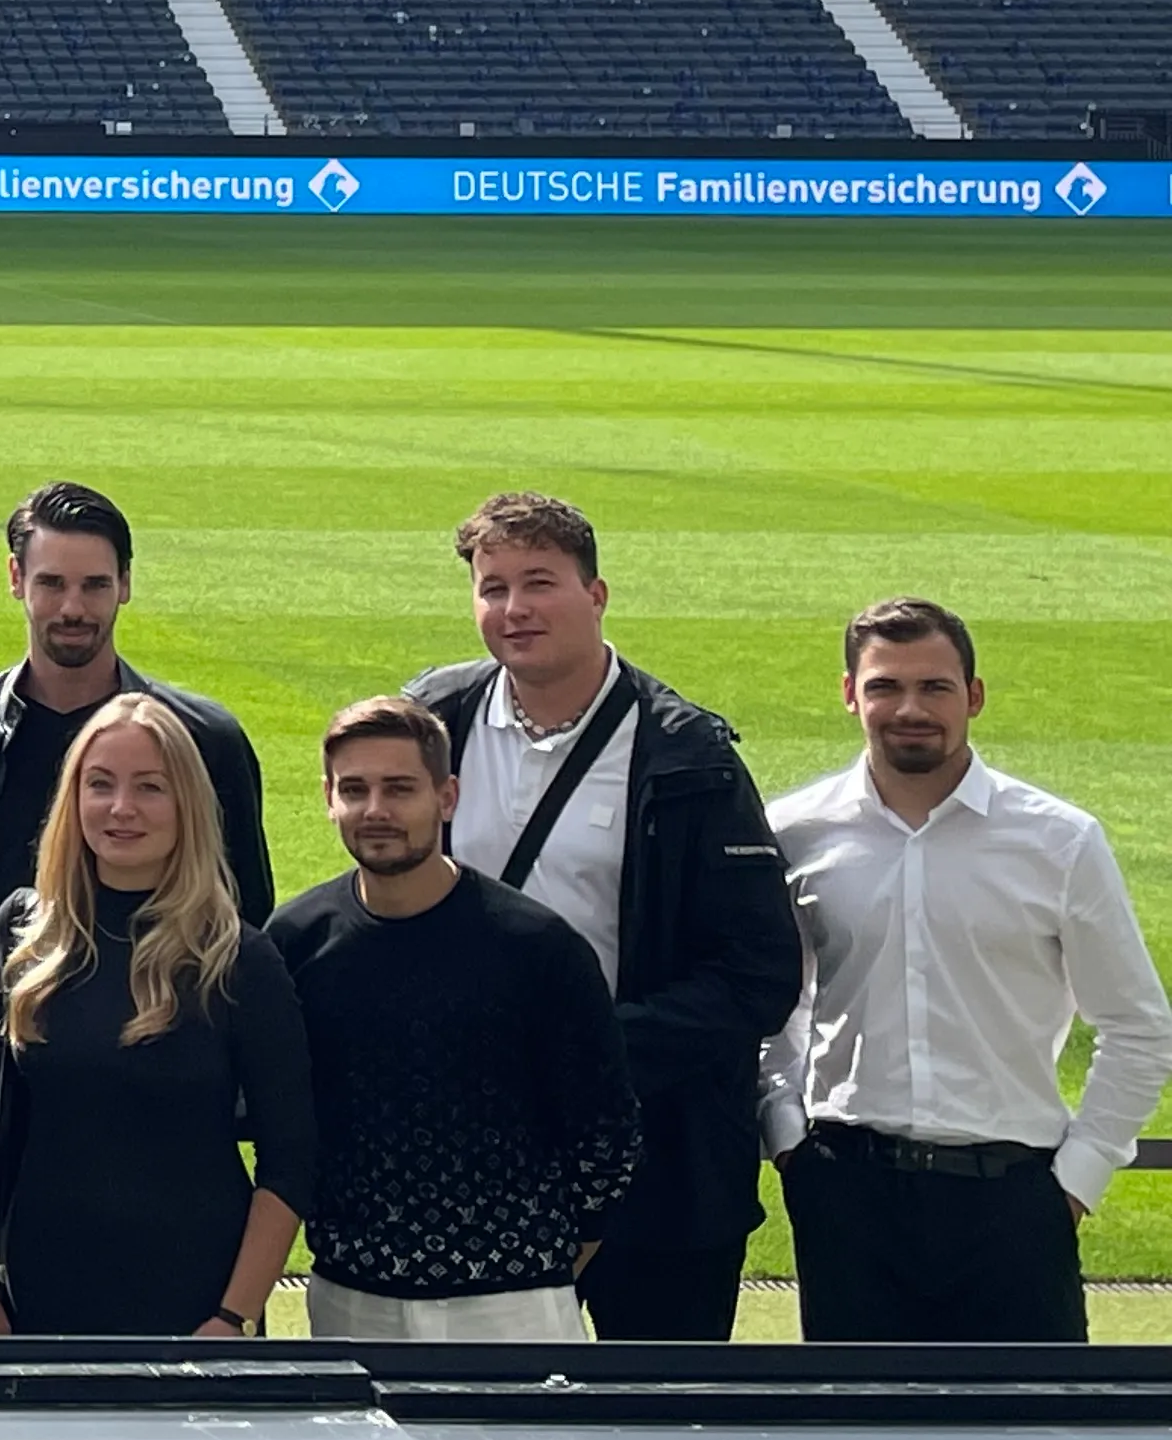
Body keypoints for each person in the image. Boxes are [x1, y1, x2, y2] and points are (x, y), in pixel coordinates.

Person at [409, 491, 801, 1343]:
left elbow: (758, 973)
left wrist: (589, 1051)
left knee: (658, 1414)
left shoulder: (689, 753)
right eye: (493, 587)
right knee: (477, 1415)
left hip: (659, 1160)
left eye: (539, 582)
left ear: (596, 595)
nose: (514, 609)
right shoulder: (433, 721)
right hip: (473, 1148)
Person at [767, 597, 1172, 1344]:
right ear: (850, 694)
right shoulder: (794, 833)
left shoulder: (1058, 841)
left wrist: (1076, 1184)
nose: (910, 708)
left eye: (935, 687)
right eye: (885, 686)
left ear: (974, 697)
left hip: (1013, 1202)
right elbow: (767, 1009)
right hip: (848, 1192)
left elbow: (1138, 1026)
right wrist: (789, 1138)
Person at [0, 482, 274, 1219]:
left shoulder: (205, 741)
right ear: (14, 581)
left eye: (96, 584)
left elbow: (245, 921)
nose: (74, 607)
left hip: (155, 1096)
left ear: (126, 585)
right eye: (53, 583)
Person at [267, 696, 636, 1344]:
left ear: (447, 796)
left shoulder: (535, 946)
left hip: (513, 1308)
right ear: (328, 798)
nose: (376, 810)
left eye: (399, 789)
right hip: (350, 1300)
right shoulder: (296, 942)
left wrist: (538, 1265)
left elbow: (606, 1132)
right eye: (355, 789)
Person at [0, 695, 311, 1340]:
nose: (121, 809)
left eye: (150, 788)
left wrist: (234, 1315)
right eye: (100, 785)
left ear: (187, 806)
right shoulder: (25, 933)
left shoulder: (237, 958)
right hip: (40, 1294)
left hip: (196, 1302)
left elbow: (291, 1160)